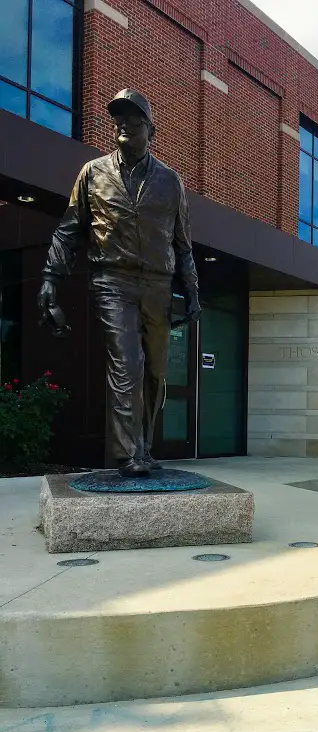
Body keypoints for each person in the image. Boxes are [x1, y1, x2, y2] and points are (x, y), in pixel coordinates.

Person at [38, 89, 201, 477]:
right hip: (113, 281)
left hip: (158, 287)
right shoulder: (93, 173)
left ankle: (144, 447)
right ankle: (129, 454)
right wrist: (50, 278)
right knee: (127, 366)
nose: (124, 125)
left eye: (134, 119)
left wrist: (192, 290)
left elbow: (183, 245)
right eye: (119, 119)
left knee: (156, 372)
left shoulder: (170, 181)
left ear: (151, 130)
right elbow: (67, 232)